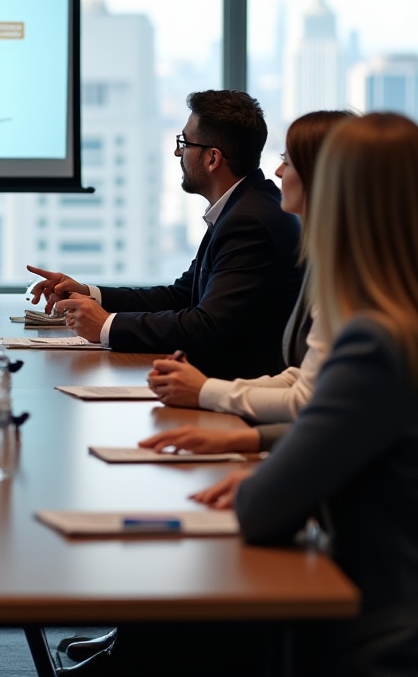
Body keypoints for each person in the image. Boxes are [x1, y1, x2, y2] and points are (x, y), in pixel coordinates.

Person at [198, 112, 418, 677]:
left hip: (374, 625)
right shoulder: (400, 324)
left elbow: (262, 511)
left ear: (339, 202)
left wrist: (269, 469)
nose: (277, 174)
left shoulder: (374, 340)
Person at [28, 90, 303, 380]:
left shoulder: (249, 220)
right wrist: (89, 293)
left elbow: (208, 326)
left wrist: (107, 324)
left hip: (235, 398)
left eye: (184, 143)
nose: (177, 152)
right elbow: (181, 296)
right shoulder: (243, 206)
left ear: (213, 158)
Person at [139, 110, 352, 457]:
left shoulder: (254, 220)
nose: (279, 172)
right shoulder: (330, 260)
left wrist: (207, 391)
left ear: (325, 177)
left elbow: (312, 402)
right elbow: (305, 378)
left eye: (288, 161)